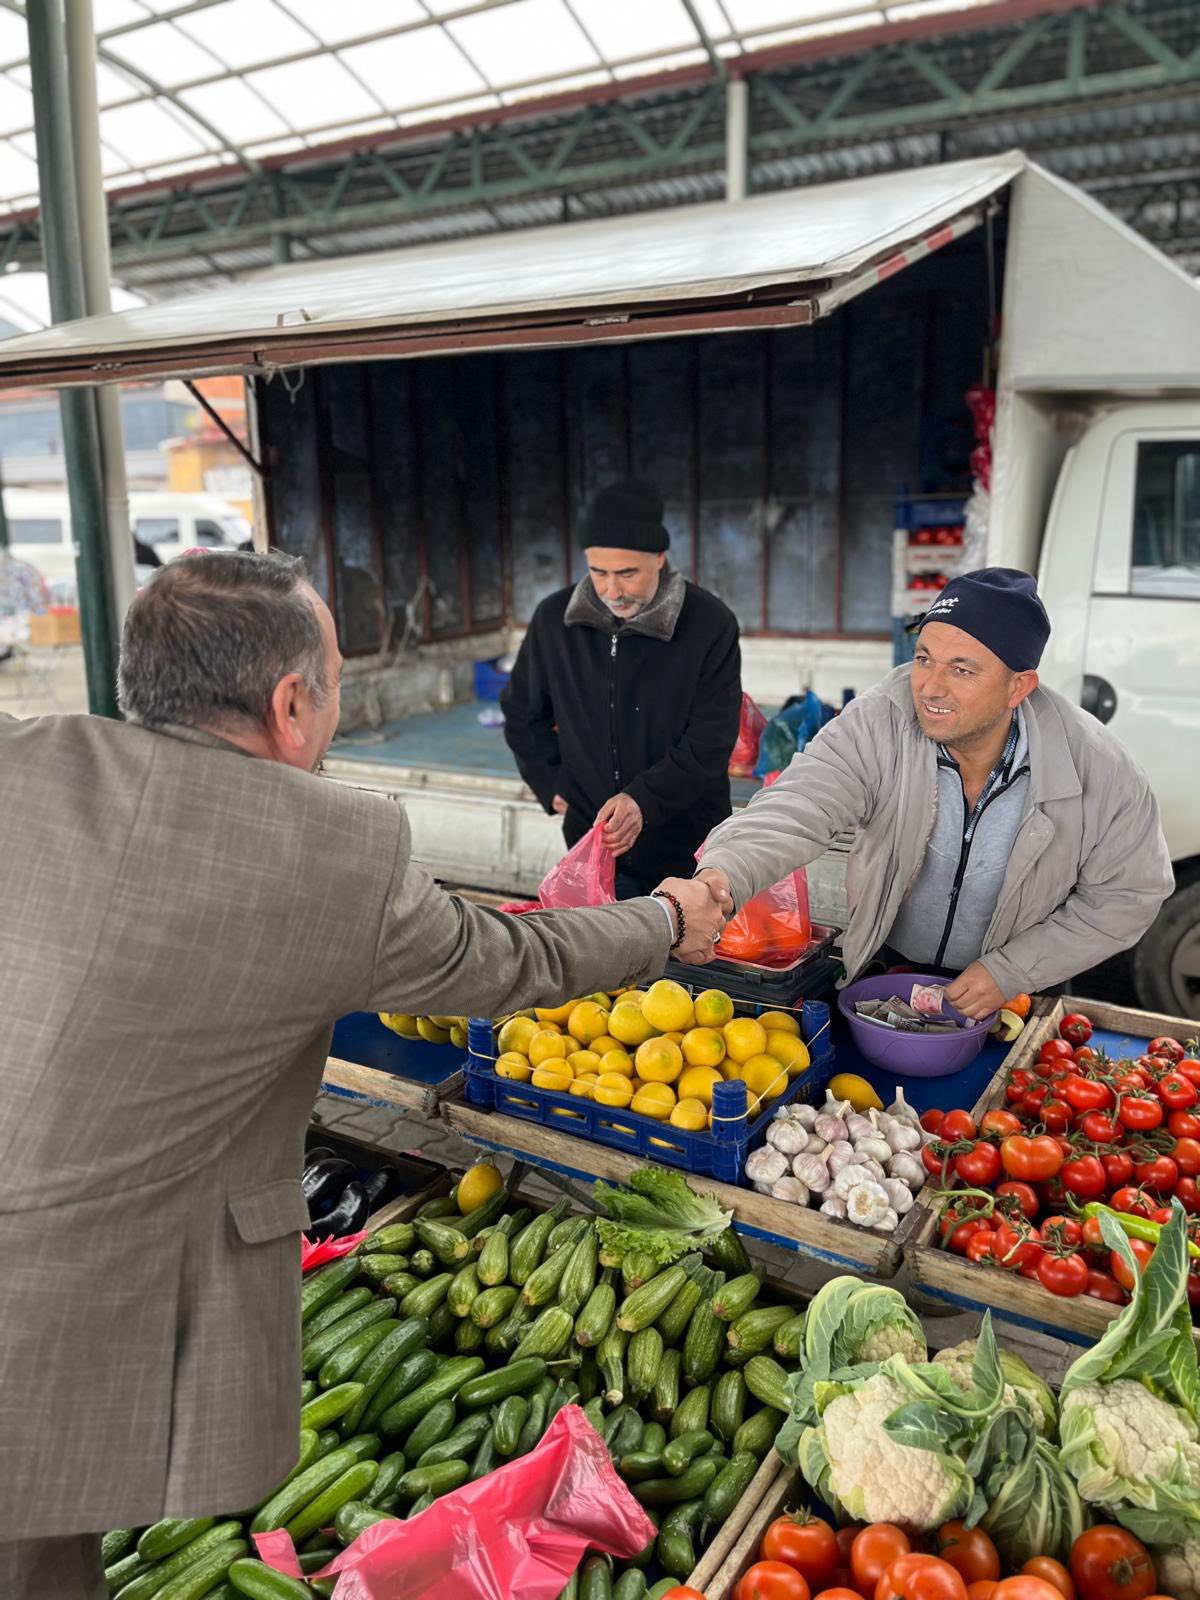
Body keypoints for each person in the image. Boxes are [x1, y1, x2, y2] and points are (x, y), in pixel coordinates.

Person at [0, 552, 726, 1598]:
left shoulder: (27, 759)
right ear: (291, 703)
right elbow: (517, 963)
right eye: (335, 681)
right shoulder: (328, 848)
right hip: (68, 1318)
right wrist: (666, 920)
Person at [694, 568, 1174, 1018]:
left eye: (962, 670)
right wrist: (721, 874)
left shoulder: (1098, 768)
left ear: (1018, 687)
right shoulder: (881, 722)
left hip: (1020, 991)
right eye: (924, 658)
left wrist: (1012, 970)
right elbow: (800, 803)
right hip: (888, 970)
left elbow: (1130, 892)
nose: (930, 687)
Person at [502, 478, 743, 897]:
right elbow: (523, 713)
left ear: (659, 558)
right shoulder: (555, 620)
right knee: (605, 955)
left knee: (688, 957)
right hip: (592, 841)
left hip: (688, 842)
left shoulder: (708, 623)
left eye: (627, 573)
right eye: (599, 572)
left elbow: (711, 739)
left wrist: (643, 801)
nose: (612, 590)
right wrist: (550, 780)